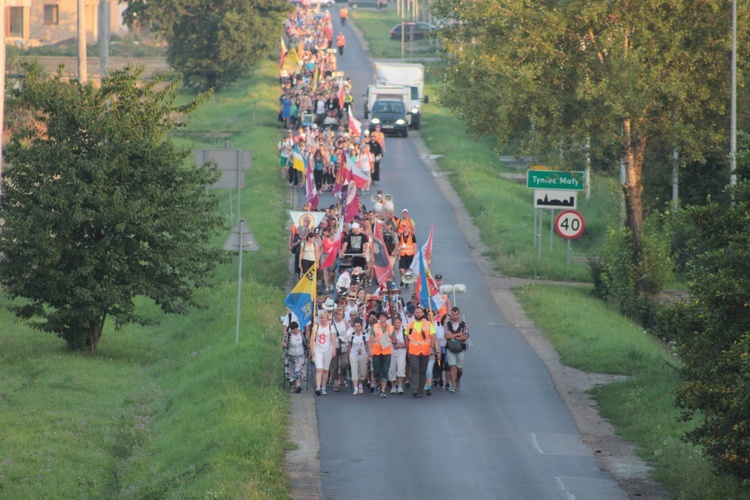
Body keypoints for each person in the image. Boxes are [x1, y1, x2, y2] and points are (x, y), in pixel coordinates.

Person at [406, 305, 436, 398]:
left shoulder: (428, 324)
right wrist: (408, 350)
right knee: (415, 370)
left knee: (423, 371)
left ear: (423, 314)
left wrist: (432, 347)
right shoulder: (410, 325)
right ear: (414, 314)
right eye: (416, 313)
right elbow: (406, 337)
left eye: (420, 312)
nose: (418, 314)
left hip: (425, 351)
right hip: (414, 351)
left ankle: (420, 390)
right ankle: (415, 389)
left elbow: (433, 336)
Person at [444, 306, 469, 392]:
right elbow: (447, 336)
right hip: (450, 348)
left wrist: (453, 336)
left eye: (456, 314)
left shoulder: (464, 324)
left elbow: (465, 337)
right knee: (452, 366)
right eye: (453, 314)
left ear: (459, 314)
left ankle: (458, 378)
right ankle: (453, 385)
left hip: (460, 348)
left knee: (459, 368)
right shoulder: (447, 324)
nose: (455, 316)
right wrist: (458, 334)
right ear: (451, 314)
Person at [312, 311, 337, 396]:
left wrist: (334, 349)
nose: (323, 319)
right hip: (318, 349)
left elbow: (333, 339)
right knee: (319, 369)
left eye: (324, 318)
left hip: (327, 350)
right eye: (321, 318)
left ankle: (324, 387)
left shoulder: (330, 327)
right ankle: (318, 387)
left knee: (326, 370)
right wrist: (312, 351)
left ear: (327, 318)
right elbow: (312, 339)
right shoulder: (316, 326)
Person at [369, 312, 393, 398]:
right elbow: (371, 338)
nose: (382, 318)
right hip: (376, 351)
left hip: (387, 352)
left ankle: (383, 390)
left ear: (386, 318)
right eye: (380, 316)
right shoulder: (374, 327)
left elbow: (394, 339)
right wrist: (370, 349)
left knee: (385, 371)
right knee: (376, 371)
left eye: (383, 316)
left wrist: (391, 340)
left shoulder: (390, 328)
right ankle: (377, 384)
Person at [283, 321, 309, 393]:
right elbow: (284, 342)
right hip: (290, 355)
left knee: (298, 370)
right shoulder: (288, 335)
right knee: (291, 371)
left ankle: (298, 385)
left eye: (295, 329)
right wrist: (284, 345)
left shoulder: (301, 334)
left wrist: (308, 344)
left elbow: (306, 341)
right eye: (292, 329)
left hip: (300, 354)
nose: (294, 331)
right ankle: (293, 385)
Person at [329, 307, 350, 392]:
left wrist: (345, 339)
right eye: (339, 314)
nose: (341, 316)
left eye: (342, 314)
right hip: (335, 345)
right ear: (335, 315)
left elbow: (349, 333)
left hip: (344, 345)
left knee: (343, 364)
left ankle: (342, 379)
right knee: (334, 365)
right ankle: (335, 383)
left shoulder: (346, 323)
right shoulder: (331, 324)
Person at [348, 319, 369, 395]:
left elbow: (368, 345)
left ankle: (361, 384)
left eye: (358, 326)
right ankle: (355, 387)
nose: (357, 328)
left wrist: (369, 355)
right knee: (354, 371)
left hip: (363, 355)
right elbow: (349, 346)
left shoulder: (364, 335)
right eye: (356, 326)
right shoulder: (352, 335)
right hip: (353, 355)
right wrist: (347, 356)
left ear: (361, 327)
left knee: (362, 371)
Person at [388, 316, 407, 394]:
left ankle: (400, 386)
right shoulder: (390, 331)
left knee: (401, 368)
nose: (397, 324)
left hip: (401, 351)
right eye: (396, 322)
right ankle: (393, 386)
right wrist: (393, 342)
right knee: (391, 368)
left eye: (399, 322)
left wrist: (400, 345)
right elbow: (385, 341)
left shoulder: (404, 331)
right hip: (392, 351)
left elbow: (406, 343)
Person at [397, 222, 417, 288]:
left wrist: (415, 255)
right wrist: (398, 255)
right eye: (403, 227)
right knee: (401, 270)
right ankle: (403, 279)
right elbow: (399, 245)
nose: (404, 228)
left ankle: (406, 282)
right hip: (402, 255)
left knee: (408, 270)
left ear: (408, 228)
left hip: (410, 255)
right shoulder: (401, 235)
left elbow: (414, 245)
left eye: (405, 227)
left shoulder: (412, 236)